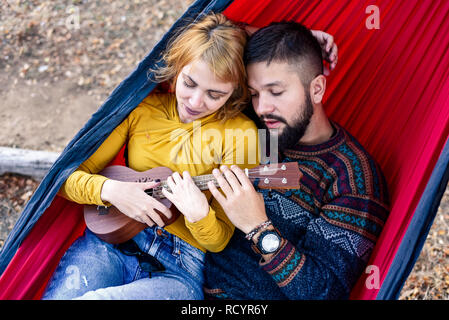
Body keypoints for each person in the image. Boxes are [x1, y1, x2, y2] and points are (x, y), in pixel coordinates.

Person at [41, 13, 337, 300]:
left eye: (215, 94)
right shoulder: (142, 109)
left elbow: (219, 239)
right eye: (189, 83)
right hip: (110, 241)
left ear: (235, 92)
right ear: (176, 68)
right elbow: (64, 180)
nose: (196, 102)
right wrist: (112, 190)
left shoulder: (244, 133)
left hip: (179, 270)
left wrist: (199, 215)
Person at [203, 21, 390, 300]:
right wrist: (294, 39)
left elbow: (324, 292)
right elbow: (202, 35)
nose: (262, 107)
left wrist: (258, 227)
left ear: (316, 89)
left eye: (276, 92)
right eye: (255, 94)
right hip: (180, 270)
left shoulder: (350, 179)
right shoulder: (265, 133)